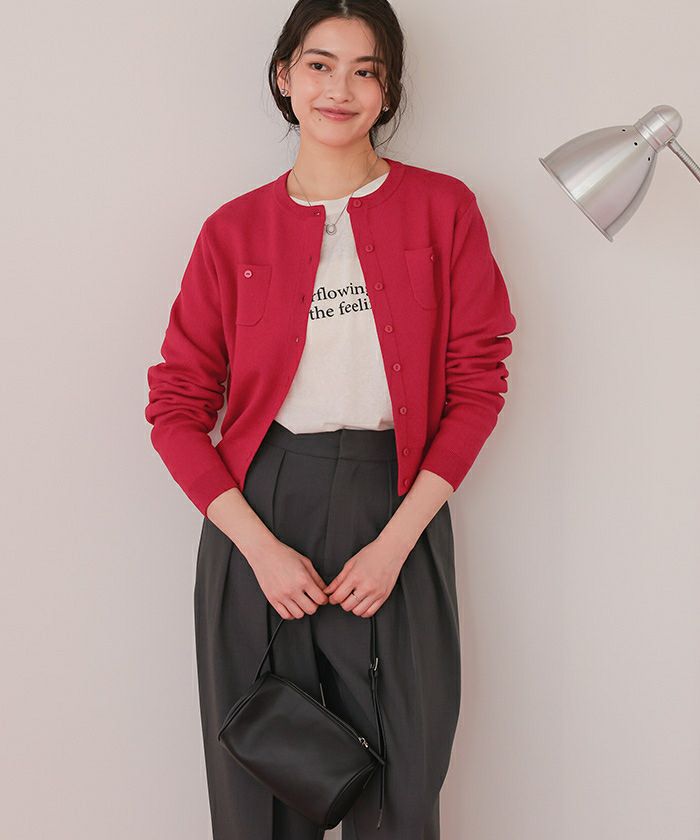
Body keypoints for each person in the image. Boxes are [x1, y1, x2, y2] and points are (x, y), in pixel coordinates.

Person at [144, 1, 517, 837]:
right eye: (319, 65)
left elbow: (477, 382)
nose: (339, 89)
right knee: (265, 787)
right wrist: (258, 550)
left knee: (401, 788)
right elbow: (175, 406)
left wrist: (396, 542)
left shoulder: (443, 209)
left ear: (388, 90)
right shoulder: (232, 231)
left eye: (365, 70)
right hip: (261, 515)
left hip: (397, 510)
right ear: (285, 76)